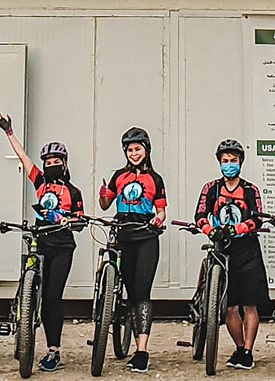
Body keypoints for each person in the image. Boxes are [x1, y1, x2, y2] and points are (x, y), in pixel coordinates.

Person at [0, 113, 84, 373]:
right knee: (28, 287)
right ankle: (23, 324)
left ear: (65, 164)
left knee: (52, 297)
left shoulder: (73, 192)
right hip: (39, 242)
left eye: (57, 161)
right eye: (48, 162)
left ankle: (53, 351)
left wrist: (72, 222)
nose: (52, 165)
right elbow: (23, 158)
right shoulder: (40, 182)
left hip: (62, 247)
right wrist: (8, 131)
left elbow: (80, 219)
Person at [195, 139, 270, 372]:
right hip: (221, 250)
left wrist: (237, 229)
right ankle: (239, 347)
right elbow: (199, 216)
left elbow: (257, 219)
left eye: (233, 161)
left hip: (247, 250)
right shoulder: (210, 188)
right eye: (225, 161)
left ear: (240, 162)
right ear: (219, 162)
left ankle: (248, 351)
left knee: (249, 305)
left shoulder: (250, 190)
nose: (229, 165)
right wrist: (211, 230)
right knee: (229, 307)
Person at [98, 127, 167, 374]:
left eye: (137, 149)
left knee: (141, 293)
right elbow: (106, 204)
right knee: (128, 290)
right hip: (123, 236)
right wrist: (103, 196)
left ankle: (142, 351)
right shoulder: (119, 176)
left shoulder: (155, 179)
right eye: (129, 150)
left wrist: (159, 219)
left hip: (147, 237)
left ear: (146, 150)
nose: (133, 153)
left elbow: (161, 211)